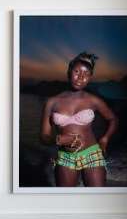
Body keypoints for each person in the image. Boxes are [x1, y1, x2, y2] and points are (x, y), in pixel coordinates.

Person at [40, 52, 118, 187]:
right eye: (76, 71)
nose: (80, 77)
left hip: (91, 153)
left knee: (96, 201)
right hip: (65, 157)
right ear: (69, 72)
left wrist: (105, 139)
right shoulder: (52, 102)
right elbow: (44, 136)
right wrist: (58, 139)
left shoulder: (94, 100)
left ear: (90, 78)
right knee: (66, 202)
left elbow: (113, 119)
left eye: (86, 74)